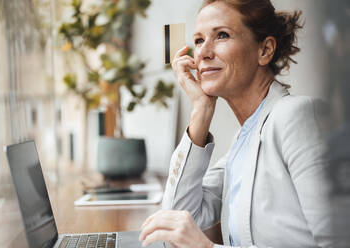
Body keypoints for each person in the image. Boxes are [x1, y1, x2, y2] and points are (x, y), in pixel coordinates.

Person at [139, 0, 335, 247]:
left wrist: (206, 247)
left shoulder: (295, 116)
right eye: (198, 40)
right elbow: (175, 221)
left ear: (264, 50)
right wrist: (201, 108)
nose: (203, 52)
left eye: (221, 35)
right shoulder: (244, 141)